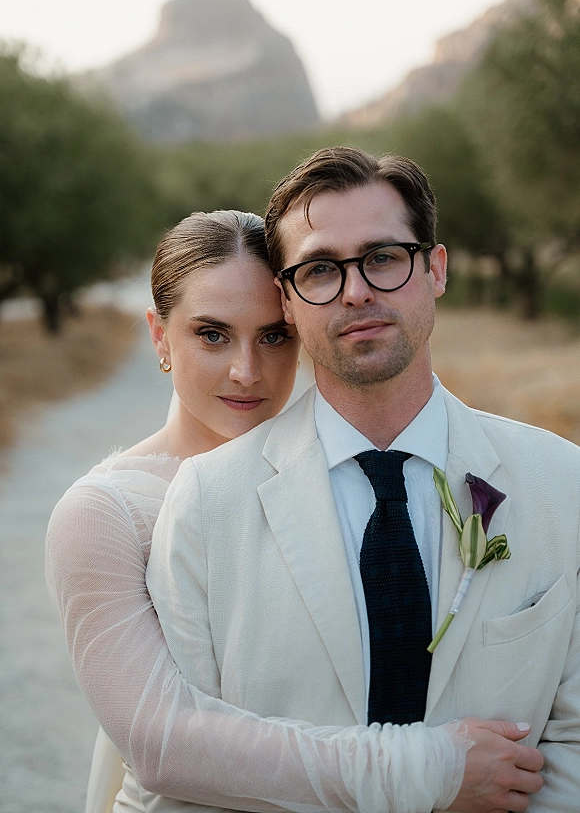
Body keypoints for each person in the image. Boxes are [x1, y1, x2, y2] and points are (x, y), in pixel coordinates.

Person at [147, 147, 579, 813]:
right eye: (320, 269)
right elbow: (187, 774)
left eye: (383, 257)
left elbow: (574, 745)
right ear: (286, 301)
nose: (356, 290)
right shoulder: (207, 505)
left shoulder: (563, 481)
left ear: (434, 269)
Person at [47, 207, 490, 813]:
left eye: (274, 336)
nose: (246, 372)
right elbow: (160, 741)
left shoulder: (356, 472)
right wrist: (425, 770)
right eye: (212, 334)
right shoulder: (103, 513)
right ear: (159, 336)